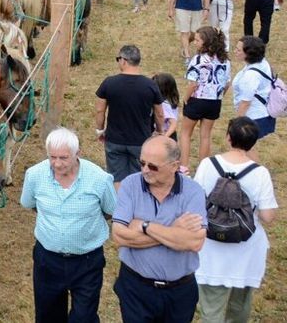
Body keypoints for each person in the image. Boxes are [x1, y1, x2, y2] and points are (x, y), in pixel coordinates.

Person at [19, 128, 116, 323]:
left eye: (63, 158)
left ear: (77, 153)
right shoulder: (34, 175)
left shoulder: (99, 179)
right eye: (52, 157)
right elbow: (29, 204)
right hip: (48, 261)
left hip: (87, 262)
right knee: (48, 316)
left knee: (84, 318)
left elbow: (111, 210)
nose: (57, 164)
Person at [110, 135, 206, 323]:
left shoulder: (193, 191)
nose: (145, 170)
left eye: (153, 166)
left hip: (179, 293)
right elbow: (120, 236)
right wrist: (174, 231)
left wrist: (145, 226)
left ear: (174, 166)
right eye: (142, 163)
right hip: (135, 289)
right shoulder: (130, 184)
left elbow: (194, 242)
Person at [193, 117, 278, 323]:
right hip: (246, 249)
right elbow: (267, 216)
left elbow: (195, 201)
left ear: (228, 137)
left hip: (212, 246)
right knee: (240, 306)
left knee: (211, 308)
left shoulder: (207, 165)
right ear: (253, 142)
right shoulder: (260, 173)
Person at [94, 45, 165, 186]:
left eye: (118, 59)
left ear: (124, 60)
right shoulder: (150, 85)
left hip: (115, 139)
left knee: (116, 178)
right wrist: (159, 131)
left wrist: (100, 130)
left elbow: (100, 110)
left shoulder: (109, 83)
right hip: (141, 140)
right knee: (140, 178)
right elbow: (160, 113)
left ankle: (119, 206)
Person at [180, 26, 231, 171]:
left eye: (197, 40)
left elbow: (193, 84)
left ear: (206, 42)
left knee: (185, 134)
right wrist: (218, 95)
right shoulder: (225, 61)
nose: (194, 42)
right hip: (214, 102)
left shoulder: (198, 59)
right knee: (206, 136)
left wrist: (185, 98)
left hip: (197, 100)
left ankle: (184, 167)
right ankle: (203, 169)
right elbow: (227, 83)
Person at [230, 35, 277, 140]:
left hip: (254, 117)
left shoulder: (251, 76)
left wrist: (236, 124)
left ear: (249, 54)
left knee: (245, 150)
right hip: (262, 114)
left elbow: (246, 102)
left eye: (238, 50)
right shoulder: (263, 63)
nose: (235, 51)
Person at [151, 73, 181, 141]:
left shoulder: (163, 104)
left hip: (164, 134)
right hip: (171, 135)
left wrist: (164, 137)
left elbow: (173, 123)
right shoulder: (171, 101)